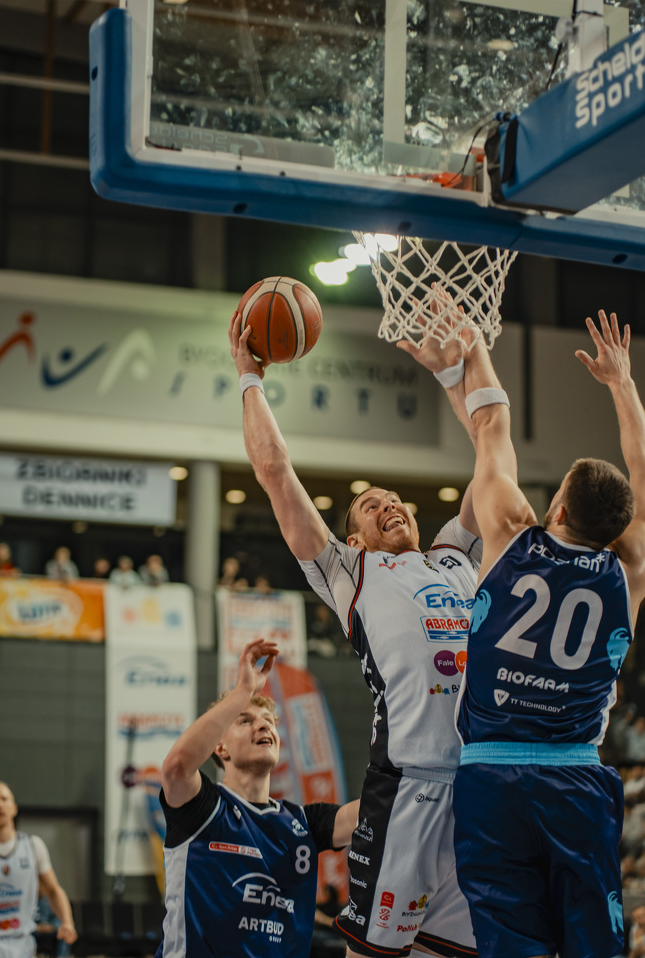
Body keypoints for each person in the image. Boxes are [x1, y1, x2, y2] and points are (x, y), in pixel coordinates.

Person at [229, 311, 481, 958]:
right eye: (371, 505)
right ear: (355, 537)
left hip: (482, 784)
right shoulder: (349, 570)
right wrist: (249, 378)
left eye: (395, 499)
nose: (388, 503)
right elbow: (275, 472)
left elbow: (492, 464)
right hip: (408, 784)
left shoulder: (455, 557)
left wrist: (458, 375)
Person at [444, 310, 645, 958]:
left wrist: (473, 346)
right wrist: (623, 386)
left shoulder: (508, 533)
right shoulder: (628, 571)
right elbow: (643, 474)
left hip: (489, 777)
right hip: (574, 780)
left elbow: (491, 430)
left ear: (556, 507)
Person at [155, 637, 358, 958]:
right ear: (220, 747)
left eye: (269, 721)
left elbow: (373, 815)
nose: (263, 725)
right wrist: (244, 691)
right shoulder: (203, 809)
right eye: (245, 720)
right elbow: (176, 767)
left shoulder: (303, 823)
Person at [0, 781, 77, 958]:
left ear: (14, 808)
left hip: (22, 944)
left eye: (4, 799)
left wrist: (67, 922)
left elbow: (53, 890)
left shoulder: (33, 846)